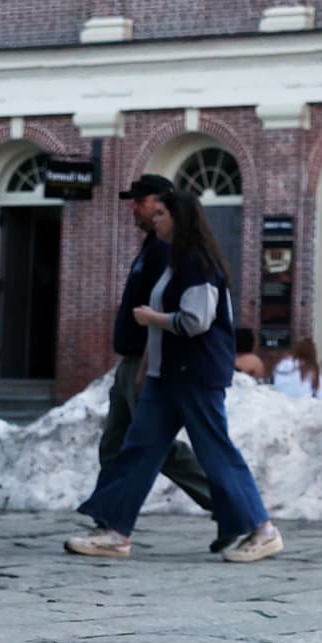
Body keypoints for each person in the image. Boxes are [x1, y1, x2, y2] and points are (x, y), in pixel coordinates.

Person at [66, 192, 283, 564]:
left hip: (195, 374)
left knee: (216, 451)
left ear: (181, 220)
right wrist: (149, 367)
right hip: (165, 376)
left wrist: (152, 318)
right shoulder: (175, 262)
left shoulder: (198, 264)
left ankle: (262, 530)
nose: (156, 220)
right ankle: (116, 531)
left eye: (163, 214)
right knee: (139, 449)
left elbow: (195, 321)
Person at [99, 176, 216, 520]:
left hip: (146, 362)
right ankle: (106, 516)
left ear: (165, 204)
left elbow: (176, 313)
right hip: (128, 362)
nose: (133, 207)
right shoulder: (151, 246)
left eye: (140, 201)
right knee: (114, 444)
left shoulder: (167, 250)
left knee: (155, 445)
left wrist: (147, 365)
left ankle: (228, 501)